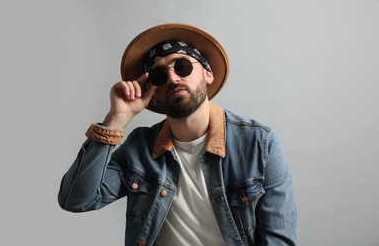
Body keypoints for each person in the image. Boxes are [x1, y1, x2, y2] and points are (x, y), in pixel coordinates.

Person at [58, 23, 297, 246]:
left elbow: (279, 240)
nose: (173, 78)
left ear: (207, 74)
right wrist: (115, 120)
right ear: (150, 89)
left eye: (182, 66)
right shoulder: (139, 148)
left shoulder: (258, 144)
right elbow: (75, 200)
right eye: (159, 75)